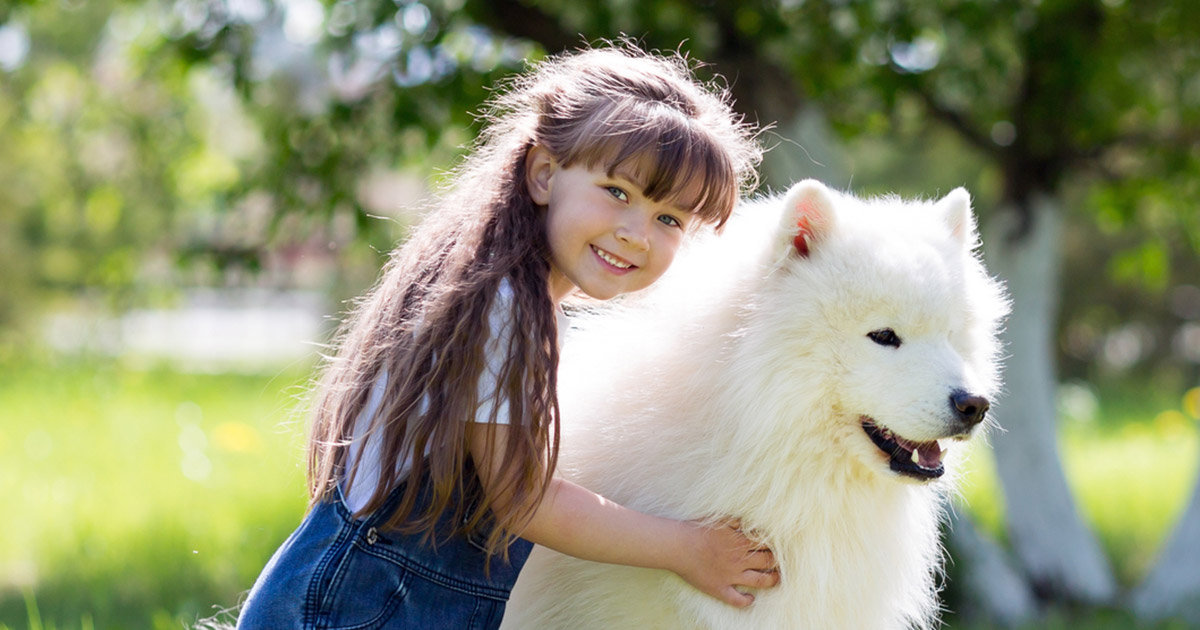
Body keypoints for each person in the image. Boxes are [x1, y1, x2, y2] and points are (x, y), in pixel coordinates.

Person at [236, 43, 776, 629]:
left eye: (669, 219)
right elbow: (524, 498)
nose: (637, 233)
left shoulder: (512, 295)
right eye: (618, 193)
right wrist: (688, 548)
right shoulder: (504, 307)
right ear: (544, 173)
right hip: (358, 607)